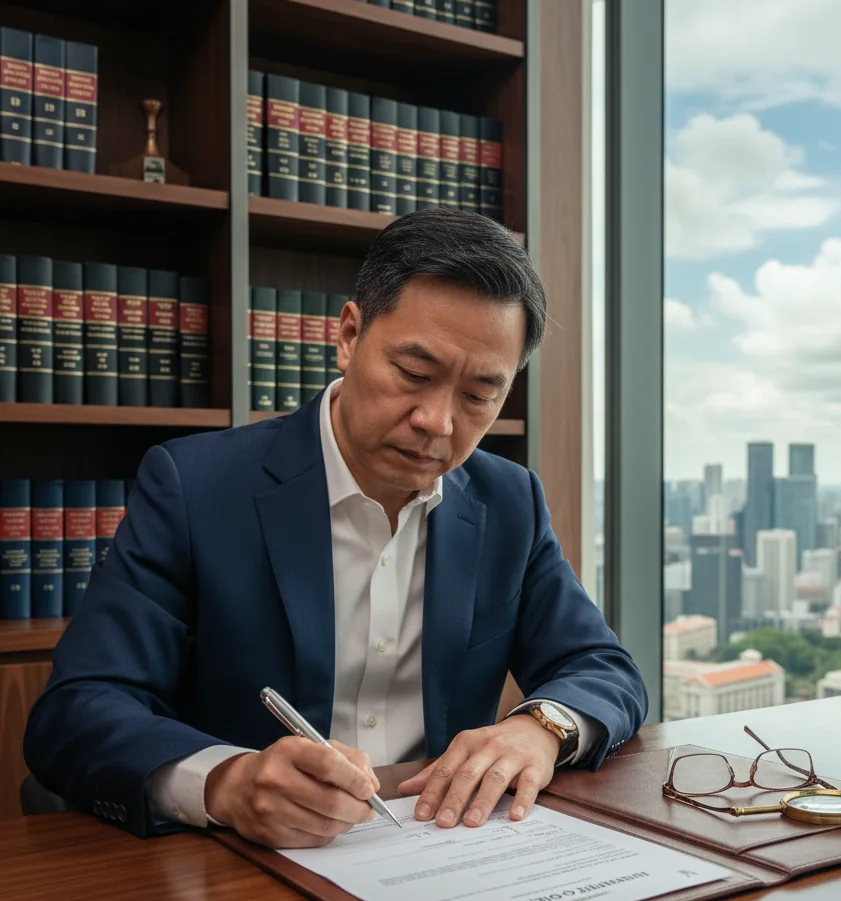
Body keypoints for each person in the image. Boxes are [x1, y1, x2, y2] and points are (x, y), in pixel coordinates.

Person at [23, 208, 647, 849]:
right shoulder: (195, 486)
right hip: (242, 871)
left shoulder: (508, 499)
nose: (437, 421)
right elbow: (76, 713)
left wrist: (539, 728)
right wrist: (228, 782)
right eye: (415, 374)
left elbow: (604, 669)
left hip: (439, 852)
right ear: (349, 336)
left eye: (479, 395)